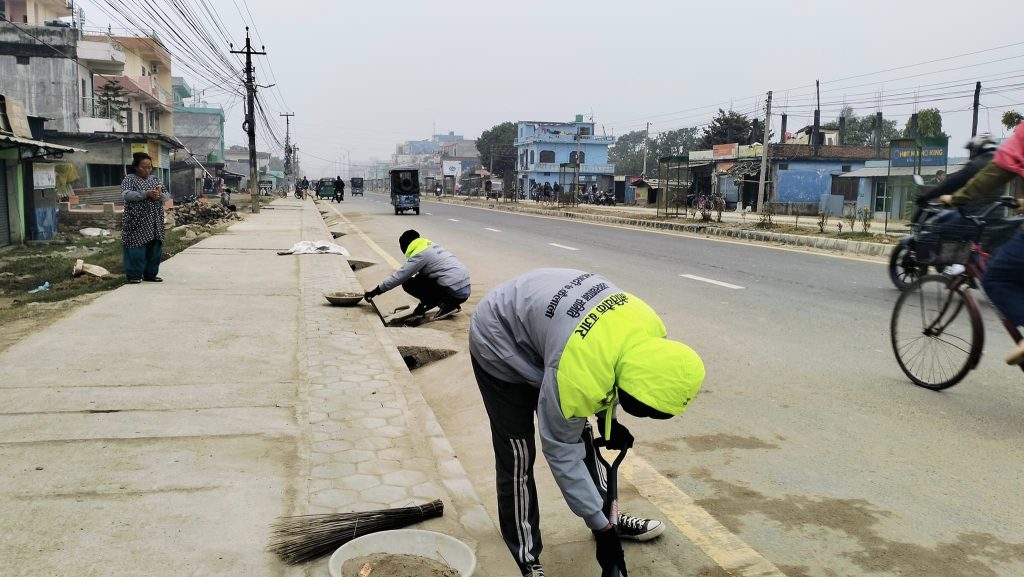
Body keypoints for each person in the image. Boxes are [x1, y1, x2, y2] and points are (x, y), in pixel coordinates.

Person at [469, 268, 705, 577]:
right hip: (499, 339)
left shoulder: (650, 333)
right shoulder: (580, 373)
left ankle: (609, 519)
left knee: (580, 432)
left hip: (555, 336)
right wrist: (603, 535)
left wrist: (610, 424)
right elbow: (561, 451)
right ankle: (526, 557)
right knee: (518, 454)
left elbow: (614, 373)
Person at [940, 123, 1024, 364]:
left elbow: (989, 177)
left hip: (981, 220)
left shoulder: (988, 160)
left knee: (994, 278)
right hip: (997, 220)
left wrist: (954, 199)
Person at [363, 230, 471, 319]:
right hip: (464, 290)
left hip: (455, 292)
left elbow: (400, 276)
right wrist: (422, 306)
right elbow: (425, 280)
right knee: (420, 278)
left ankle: (447, 305)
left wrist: (375, 292)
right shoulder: (430, 246)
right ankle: (439, 303)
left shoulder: (420, 255)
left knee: (409, 283)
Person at [121, 153, 170, 284]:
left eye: (149, 167)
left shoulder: (155, 179)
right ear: (136, 167)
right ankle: (134, 275)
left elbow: (166, 195)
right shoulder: (129, 179)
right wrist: (147, 194)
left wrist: (158, 195)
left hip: (155, 221)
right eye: (144, 167)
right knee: (136, 249)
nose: (147, 170)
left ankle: (151, 274)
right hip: (136, 221)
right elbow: (127, 195)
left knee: (155, 249)